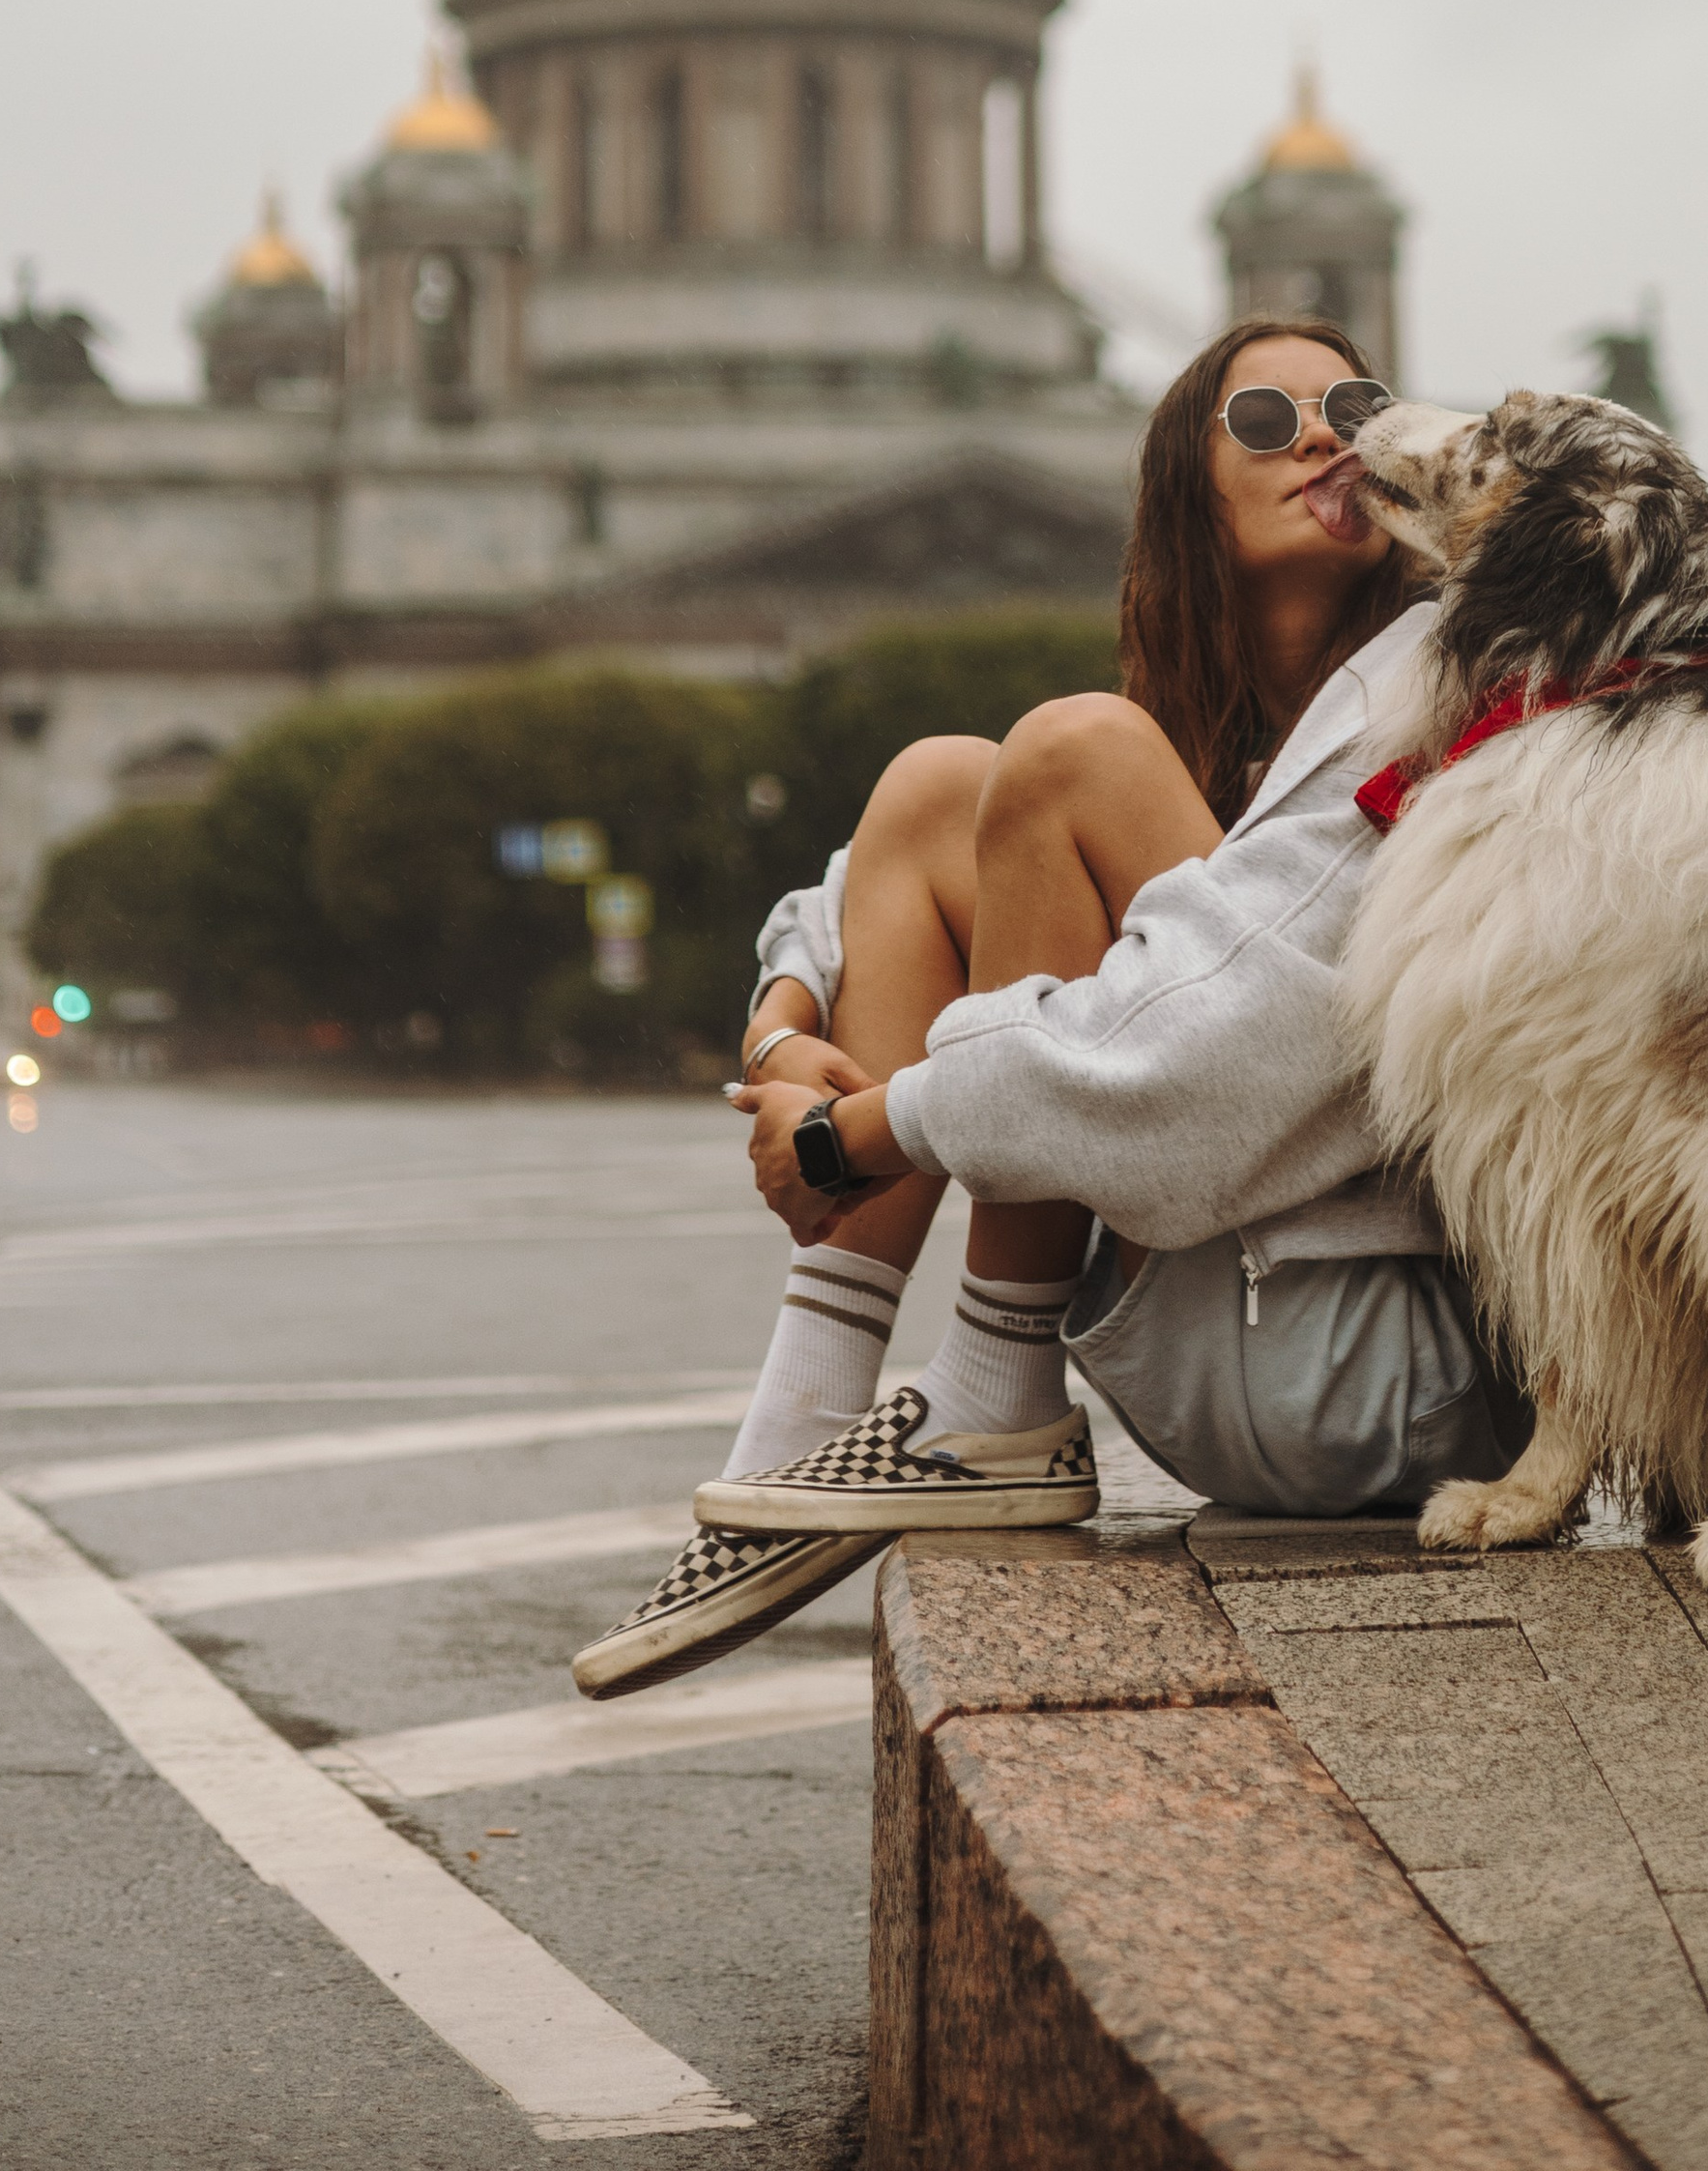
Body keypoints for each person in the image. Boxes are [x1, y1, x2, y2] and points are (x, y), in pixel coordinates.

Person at [572, 318, 1530, 1698]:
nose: (1326, 435)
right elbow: (870, 875)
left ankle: (995, 1389)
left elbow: (1204, 1056)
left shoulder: (1426, 689)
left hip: (1371, 1373)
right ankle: (810, 1406)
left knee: (1065, 752)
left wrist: (859, 1134)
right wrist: (783, 1023)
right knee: (936, 780)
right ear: (1184, 499)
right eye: (1266, 422)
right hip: (1256, 1331)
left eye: (1358, 407)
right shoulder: (1211, 743)